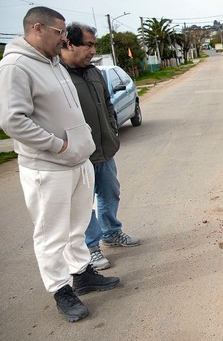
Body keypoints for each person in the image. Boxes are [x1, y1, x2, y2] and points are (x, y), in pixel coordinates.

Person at [0, 7, 119, 323]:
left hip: (77, 161)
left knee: (76, 226)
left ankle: (82, 273)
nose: (64, 38)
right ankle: (60, 289)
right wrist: (59, 146)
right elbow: (12, 120)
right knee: (51, 234)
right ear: (38, 29)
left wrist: (79, 145)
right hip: (47, 167)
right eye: (59, 32)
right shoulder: (16, 66)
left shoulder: (53, 62)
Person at [60, 22, 140, 272]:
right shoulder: (58, 76)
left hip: (104, 149)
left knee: (110, 193)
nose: (93, 50)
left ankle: (111, 233)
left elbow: (107, 103)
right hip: (78, 154)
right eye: (88, 45)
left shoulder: (94, 73)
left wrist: (113, 130)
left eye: (94, 45)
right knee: (84, 203)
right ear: (70, 44)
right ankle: (91, 248)